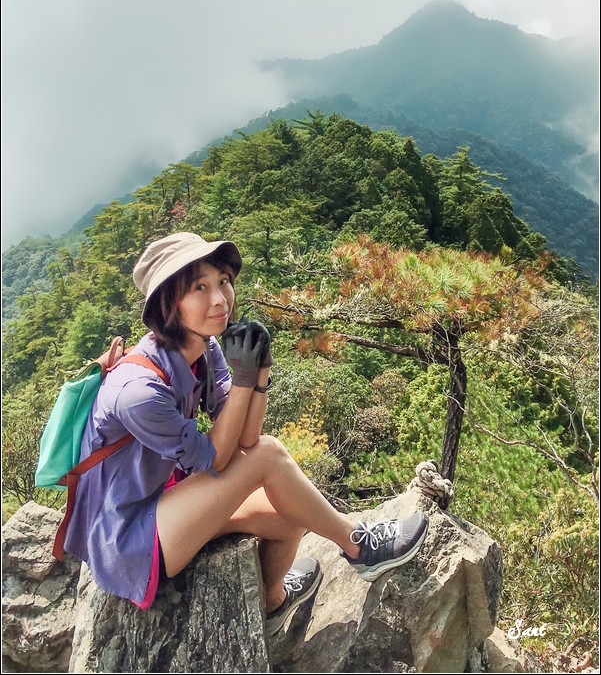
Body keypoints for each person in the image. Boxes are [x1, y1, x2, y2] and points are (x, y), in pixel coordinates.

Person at [64, 232, 428, 636]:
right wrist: (243, 379)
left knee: (291, 512)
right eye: (199, 287)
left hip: (167, 499)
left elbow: (246, 439)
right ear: (169, 303)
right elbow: (218, 458)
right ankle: (359, 545)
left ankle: (271, 602)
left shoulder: (203, 348)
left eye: (222, 281)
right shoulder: (138, 391)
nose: (220, 298)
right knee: (271, 458)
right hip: (130, 535)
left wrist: (260, 370)